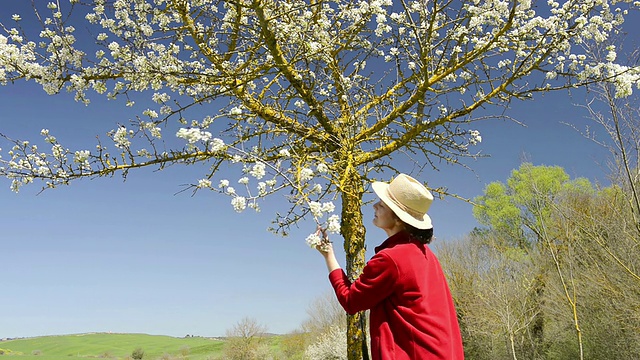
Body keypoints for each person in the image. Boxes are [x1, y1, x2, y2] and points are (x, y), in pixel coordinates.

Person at [315, 173, 464, 360]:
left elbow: (351, 301)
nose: (374, 206)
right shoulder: (425, 255)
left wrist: (329, 256)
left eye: (382, 204)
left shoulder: (390, 259)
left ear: (399, 219)